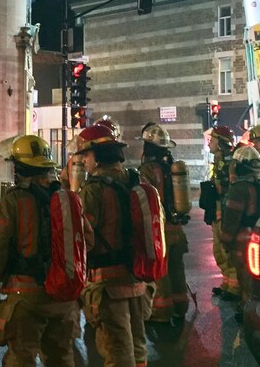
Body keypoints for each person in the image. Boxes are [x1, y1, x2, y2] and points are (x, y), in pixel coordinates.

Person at [0, 134, 83, 366]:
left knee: (21, 358)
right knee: (61, 358)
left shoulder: (13, 200)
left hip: (27, 295)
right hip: (63, 297)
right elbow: (86, 240)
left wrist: (2, 274)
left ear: (19, 167)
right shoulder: (67, 199)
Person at [75, 124, 149, 367]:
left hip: (108, 285)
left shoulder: (93, 190)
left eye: (86, 155)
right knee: (138, 345)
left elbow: (83, 239)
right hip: (137, 279)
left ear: (97, 157)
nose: (83, 161)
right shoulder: (134, 180)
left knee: (117, 350)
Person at [138, 122, 190, 329]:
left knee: (160, 273)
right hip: (177, 228)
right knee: (177, 269)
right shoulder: (172, 167)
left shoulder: (147, 170)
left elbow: (144, 200)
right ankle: (181, 307)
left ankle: (161, 312)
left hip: (159, 231)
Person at [219, 146, 260, 323]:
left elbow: (231, 219)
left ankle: (247, 311)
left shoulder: (239, 189)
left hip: (243, 240)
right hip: (258, 237)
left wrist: (225, 240)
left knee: (246, 277)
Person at [206, 126, 241, 302]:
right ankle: (227, 283)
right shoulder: (218, 160)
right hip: (217, 211)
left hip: (225, 212)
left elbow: (225, 189)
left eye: (212, 140)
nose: (209, 143)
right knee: (219, 251)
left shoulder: (228, 162)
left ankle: (235, 288)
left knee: (227, 250)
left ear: (220, 143)